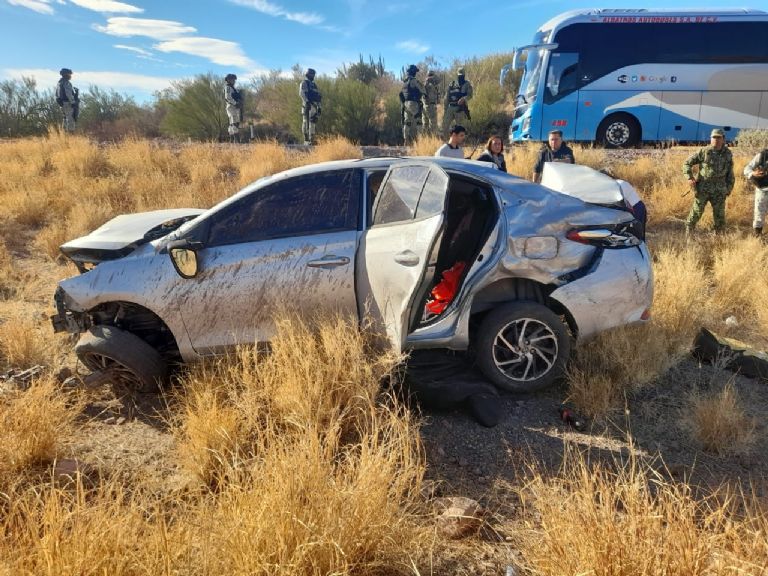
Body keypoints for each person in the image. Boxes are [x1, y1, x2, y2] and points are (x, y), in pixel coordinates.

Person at [682, 128, 735, 235]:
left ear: (723, 139)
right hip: (703, 188)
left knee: (719, 216)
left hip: (720, 190)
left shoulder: (727, 154)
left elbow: (730, 173)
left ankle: (719, 238)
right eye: (713, 137)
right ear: (710, 139)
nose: (716, 139)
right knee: (696, 212)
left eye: (718, 137)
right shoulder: (704, 151)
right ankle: (688, 234)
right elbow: (686, 163)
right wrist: (689, 177)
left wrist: (728, 189)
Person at [599, 167, 647, 239]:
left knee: (637, 233)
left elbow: (621, 202)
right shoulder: (615, 184)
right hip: (634, 208)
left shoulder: (619, 184)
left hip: (636, 208)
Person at [743, 147, 768, 237]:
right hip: (762, 191)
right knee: (759, 216)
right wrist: (753, 173)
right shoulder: (763, 155)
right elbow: (747, 169)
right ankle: (758, 238)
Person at [442, 67, 473, 136]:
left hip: (460, 108)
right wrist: (445, 108)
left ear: (464, 75)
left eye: (462, 76)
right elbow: (447, 97)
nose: (460, 77)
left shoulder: (467, 84)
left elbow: (470, 95)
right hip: (450, 107)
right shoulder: (452, 84)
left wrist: (464, 99)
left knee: (460, 127)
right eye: (459, 76)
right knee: (444, 125)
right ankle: (447, 141)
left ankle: (461, 142)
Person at [399, 64, 425, 145]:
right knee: (419, 121)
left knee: (407, 123)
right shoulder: (414, 81)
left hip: (406, 104)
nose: (416, 73)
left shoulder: (405, 81)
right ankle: (420, 141)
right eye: (415, 72)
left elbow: (401, 94)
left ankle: (406, 140)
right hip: (414, 103)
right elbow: (423, 90)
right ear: (413, 72)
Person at [299, 68, 322, 145]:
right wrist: (307, 102)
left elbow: (317, 97)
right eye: (312, 74)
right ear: (308, 75)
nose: (313, 76)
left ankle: (311, 139)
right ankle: (306, 139)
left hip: (314, 106)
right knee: (305, 122)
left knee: (313, 122)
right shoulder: (304, 83)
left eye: (313, 75)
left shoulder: (314, 85)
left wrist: (319, 107)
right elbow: (302, 93)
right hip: (306, 105)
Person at [55, 68, 78, 133]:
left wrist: (59, 102)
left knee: (65, 118)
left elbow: (56, 94)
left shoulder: (59, 83)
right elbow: (68, 93)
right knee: (71, 118)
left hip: (62, 103)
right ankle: (71, 134)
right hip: (67, 103)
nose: (70, 76)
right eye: (69, 74)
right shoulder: (66, 82)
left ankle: (64, 133)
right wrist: (73, 102)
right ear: (66, 75)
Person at [223, 73, 243, 143]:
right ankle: (237, 141)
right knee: (234, 123)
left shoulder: (232, 88)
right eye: (232, 79)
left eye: (234, 80)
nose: (234, 81)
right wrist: (235, 103)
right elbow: (227, 98)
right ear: (228, 80)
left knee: (232, 123)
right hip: (231, 107)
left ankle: (232, 140)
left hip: (234, 107)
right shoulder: (228, 87)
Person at [423, 70, 440, 136]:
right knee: (433, 124)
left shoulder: (425, 83)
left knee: (425, 124)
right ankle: (432, 138)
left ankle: (424, 139)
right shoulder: (431, 84)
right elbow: (439, 79)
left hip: (425, 106)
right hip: (431, 106)